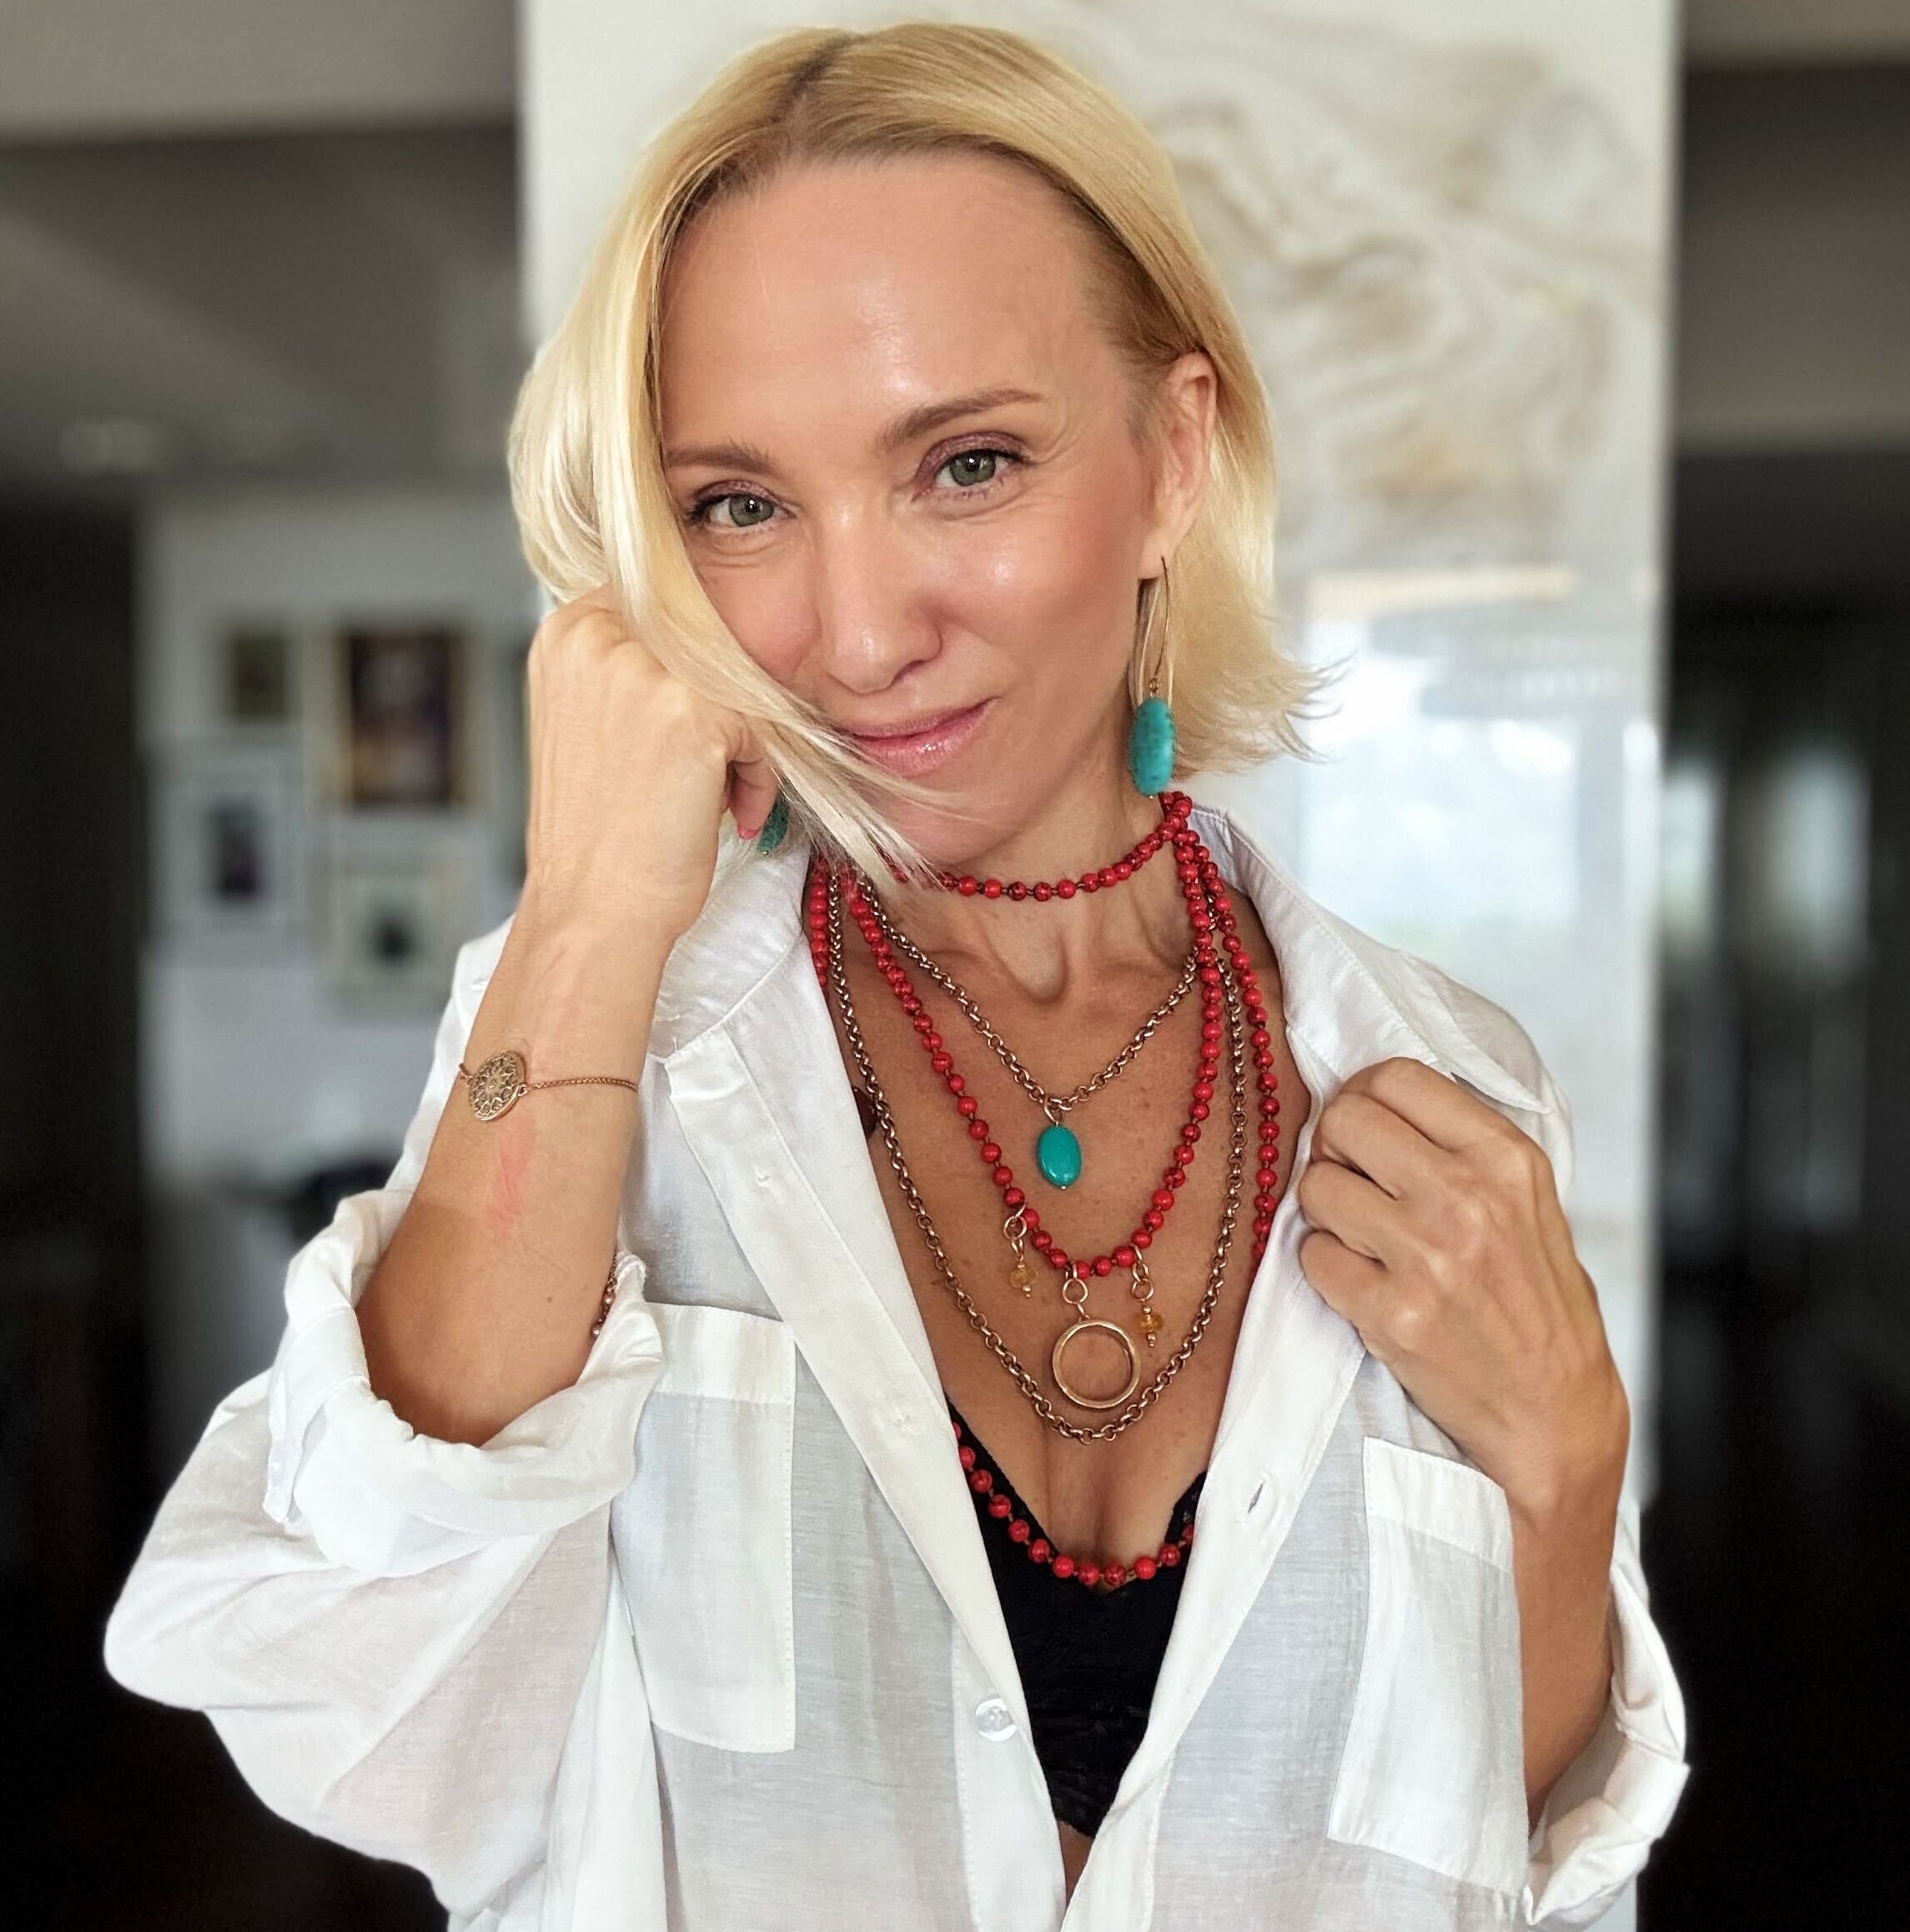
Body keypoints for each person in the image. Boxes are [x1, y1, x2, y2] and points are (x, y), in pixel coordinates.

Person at [104, 22, 1687, 1929]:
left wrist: (1569, 1462)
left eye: (968, 464)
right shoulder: (624, 1040)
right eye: (739, 506)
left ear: (1173, 459)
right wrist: (591, 913)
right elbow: (355, 1671)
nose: (858, 635)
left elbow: (1490, 1856)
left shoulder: (1438, 1078)